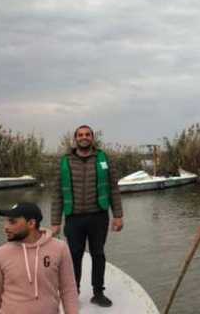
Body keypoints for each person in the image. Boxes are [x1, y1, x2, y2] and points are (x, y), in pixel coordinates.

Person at [51, 124, 123, 307]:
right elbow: (57, 192)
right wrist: (55, 222)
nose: (84, 137)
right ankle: (73, 294)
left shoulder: (104, 158)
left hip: (99, 216)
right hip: (74, 218)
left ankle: (98, 293)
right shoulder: (65, 161)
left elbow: (114, 188)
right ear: (75, 139)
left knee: (98, 254)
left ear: (92, 138)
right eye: (80, 135)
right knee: (74, 256)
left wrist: (118, 215)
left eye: (87, 134)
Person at [0, 202, 79, 314]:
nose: (6, 227)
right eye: (6, 221)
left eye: (12, 222)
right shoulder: (0, 254)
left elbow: (68, 290)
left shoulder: (60, 248)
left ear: (31, 223)